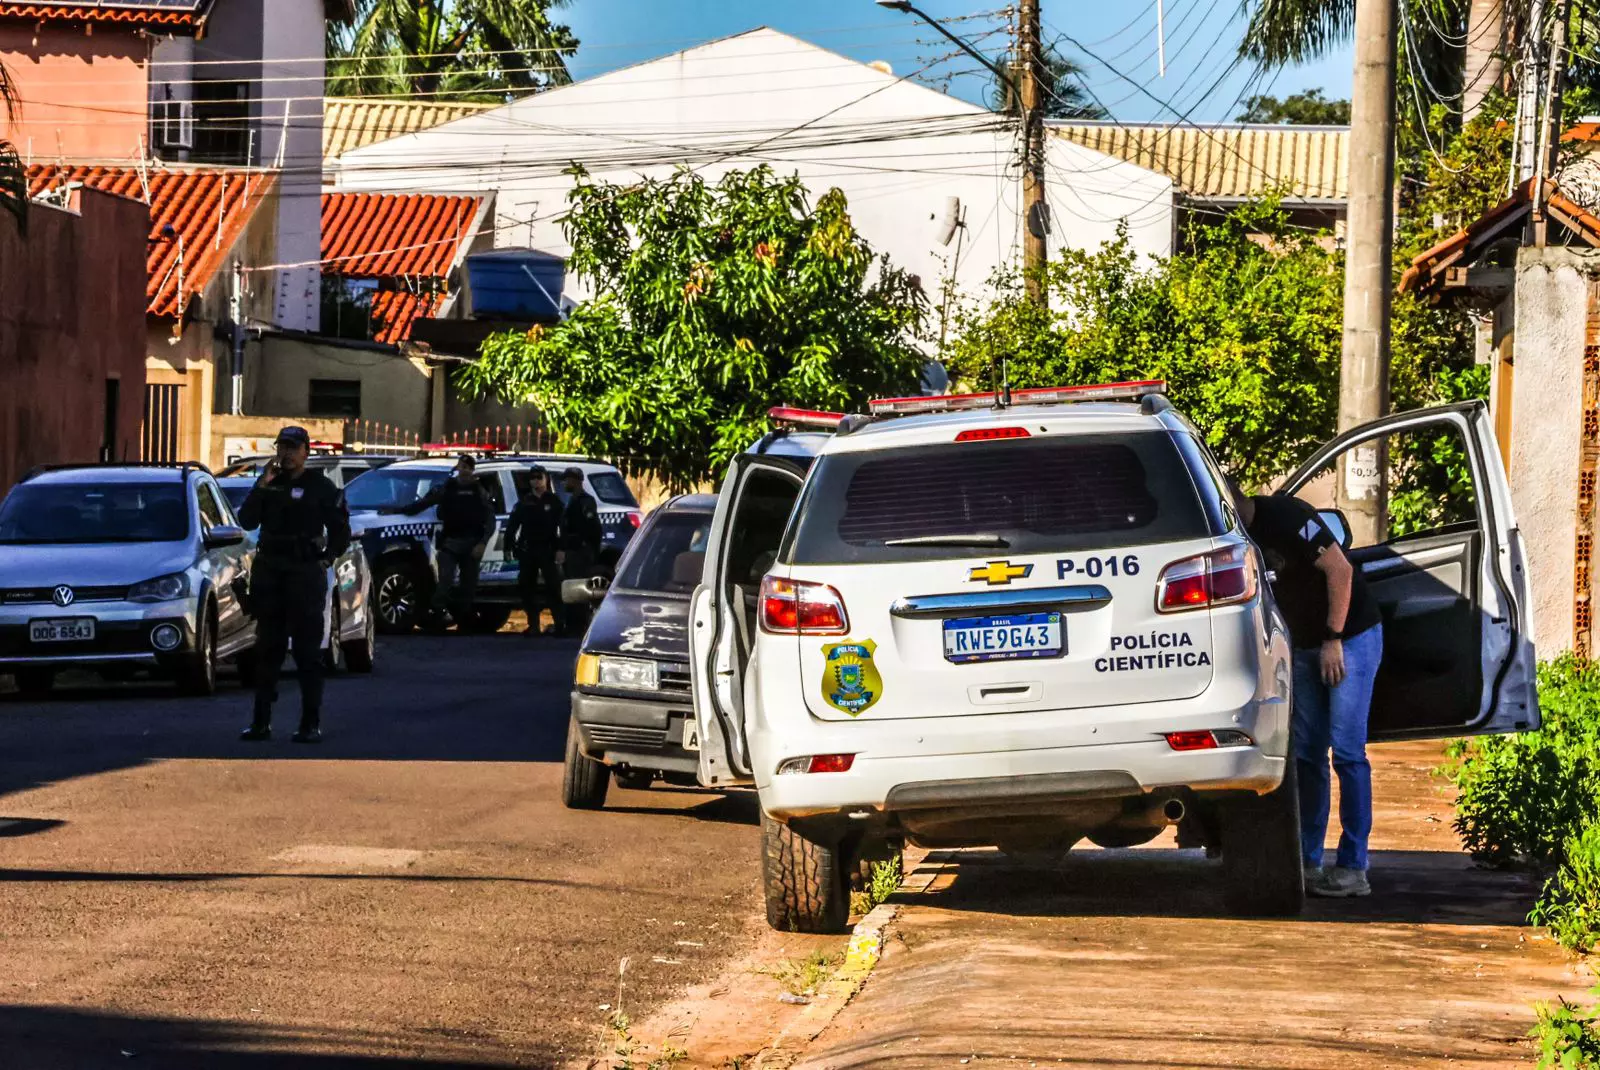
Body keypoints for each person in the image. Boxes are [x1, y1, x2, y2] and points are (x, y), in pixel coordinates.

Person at [1236, 485, 1384, 899]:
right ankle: (1309, 860)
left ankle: (1354, 868)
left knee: (1348, 751)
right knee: (1307, 753)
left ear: (1237, 495)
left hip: (1348, 637)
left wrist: (1333, 639)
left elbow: (1341, 570)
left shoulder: (1285, 516)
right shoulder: (1230, 533)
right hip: (1302, 645)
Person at [237, 426, 351, 744]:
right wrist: (261, 485)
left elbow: (340, 530)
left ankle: (309, 723)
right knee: (267, 651)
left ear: (305, 452)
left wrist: (326, 559)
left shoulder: (321, 487)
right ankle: (261, 722)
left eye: (292, 447)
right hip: (271, 571)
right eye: (282, 447)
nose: (285, 454)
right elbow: (246, 521)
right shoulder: (269, 485)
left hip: (304, 573)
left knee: (307, 653)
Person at [382, 455, 497, 631]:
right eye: (462, 466)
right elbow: (425, 503)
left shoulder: (479, 490)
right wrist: (399, 511)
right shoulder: (448, 488)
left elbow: (490, 519)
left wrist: (482, 542)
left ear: (472, 470)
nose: (465, 470)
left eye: (468, 467)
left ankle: (464, 621)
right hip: (450, 542)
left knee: (468, 585)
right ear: (458, 467)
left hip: (471, 543)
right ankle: (437, 616)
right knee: (444, 581)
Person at [504, 465, 564, 636]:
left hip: (548, 550)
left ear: (546, 479)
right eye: (533, 477)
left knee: (553, 587)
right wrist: (508, 547)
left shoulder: (554, 502)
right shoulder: (524, 502)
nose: (536, 481)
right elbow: (513, 526)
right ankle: (533, 625)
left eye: (539, 477)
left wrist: (561, 548)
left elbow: (563, 528)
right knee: (527, 587)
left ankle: (559, 623)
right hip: (528, 550)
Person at [558, 466, 603, 636]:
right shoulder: (573, 500)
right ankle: (572, 625)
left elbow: (591, 528)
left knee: (579, 590)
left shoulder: (585, 501)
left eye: (567, 480)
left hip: (580, 551)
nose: (564, 483)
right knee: (572, 588)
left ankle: (578, 627)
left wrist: (587, 549)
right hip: (573, 551)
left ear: (575, 481)